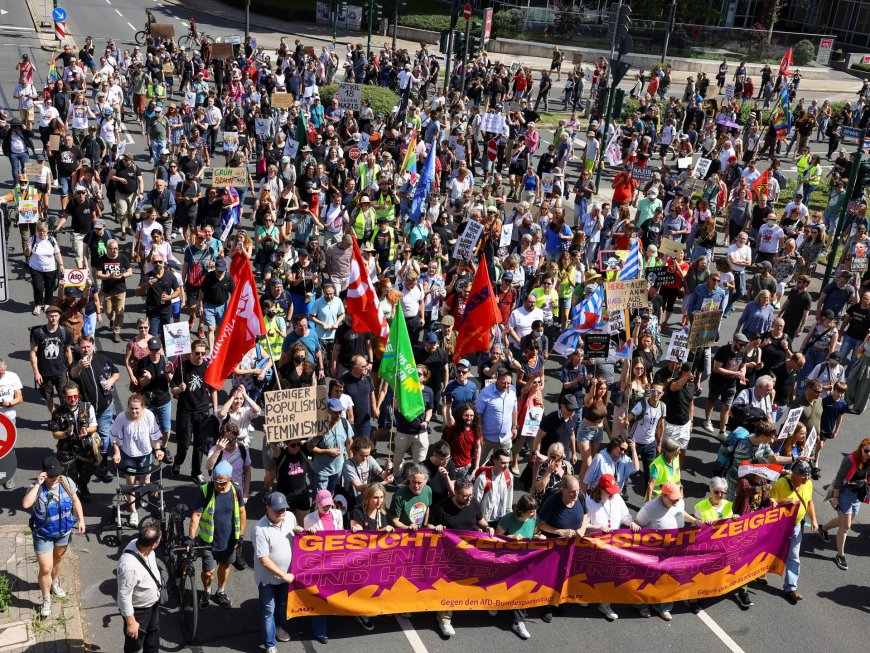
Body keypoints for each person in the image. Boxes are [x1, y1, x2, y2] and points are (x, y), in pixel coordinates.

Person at [22, 455, 86, 619]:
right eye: (51, 476)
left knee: (58, 559)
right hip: (43, 534)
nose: (55, 479)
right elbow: (26, 504)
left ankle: (55, 583)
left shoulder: (66, 482)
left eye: (57, 475)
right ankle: (46, 599)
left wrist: (81, 520)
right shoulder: (37, 487)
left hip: (63, 532)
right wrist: (38, 484)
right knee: (45, 568)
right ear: (43, 474)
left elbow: (76, 501)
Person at [428, 477, 492, 637]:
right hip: (448, 555)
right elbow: (428, 525)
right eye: (465, 496)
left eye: (471, 495)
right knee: (448, 586)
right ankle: (444, 619)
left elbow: (480, 520)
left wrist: (488, 527)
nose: (469, 498)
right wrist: (436, 527)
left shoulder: (474, 503)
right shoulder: (442, 507)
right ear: (455, 493)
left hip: (469, 553)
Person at [634, 482, 703, 619]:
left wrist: (693, 520)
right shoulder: (650, 508)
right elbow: (638, 523)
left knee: (669, 578)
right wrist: (634, 525)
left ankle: (664, 607)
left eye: (678, 498)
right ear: (664, 496)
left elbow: (680, 512)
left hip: (674, 549)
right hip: (654, 551)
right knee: (648, 579)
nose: (677, 501)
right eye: (673, 499)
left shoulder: (678, 502)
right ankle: (643, 605)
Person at [188, 460, 247, 610]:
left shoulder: (236, 491)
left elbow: (241, 512)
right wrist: (190, 537)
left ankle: (221, 591)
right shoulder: (206, 490)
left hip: (228, 541)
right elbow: (196, 515)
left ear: (229, 479)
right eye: (216, 481)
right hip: (208, 541)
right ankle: (207, 591)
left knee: (225, 566)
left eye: (222, 483)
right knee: (208, 572)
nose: (218, 485)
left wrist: (240, 535)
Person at [585, 474, 641, 621]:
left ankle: (605, 603)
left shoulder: (616, 498)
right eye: (609, 491)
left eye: (613, 491)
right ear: (600, 489)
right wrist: (598, 527)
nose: (612, 494)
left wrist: (631, 523)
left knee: (609, 575)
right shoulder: (589, 501)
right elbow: (583, 525)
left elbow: (625, 516)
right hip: (594, 544)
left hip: (612, 544)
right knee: (590, 573)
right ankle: (585, 595)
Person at [254, 492, 302, 653]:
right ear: (268, 508)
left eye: (283, 509)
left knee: (281, 605)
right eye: (277, 510)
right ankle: (270, 644)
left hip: (287, 576)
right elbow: (264, 560)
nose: (281, 512)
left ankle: (279, 627)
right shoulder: (259, 529)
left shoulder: (289, 517)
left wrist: (300, 531)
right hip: (268, 579)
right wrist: (284, 575)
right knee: (268, 610)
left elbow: (295, 535)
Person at [110, 394, 166, 526]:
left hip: (145, 453)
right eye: (131, 408)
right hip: (128, 454)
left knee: (145, 480)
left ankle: (143, 495)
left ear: (143, 407)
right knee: (130, 483)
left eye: (137, 409)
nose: (134, 411)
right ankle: (133, 511)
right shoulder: (121, 417)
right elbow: (114, 438)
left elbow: (155, 435)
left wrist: (158, 449)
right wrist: (117, 452)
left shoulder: (148, 416)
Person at [537, 474, 587, 622]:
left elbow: (585, 514)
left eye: (577, 490)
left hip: (572, 545)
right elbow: (540, 524)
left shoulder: (581, 497)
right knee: (552, 576)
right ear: (563, 490)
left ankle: (560, 601)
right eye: (572, 491)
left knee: (567, 575)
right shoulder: (553, 501)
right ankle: (547, 605)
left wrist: (583, 529)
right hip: (554, 547)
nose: (576, 494)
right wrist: (559, 532)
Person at [495, 493, 545, 639]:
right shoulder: (508, 519)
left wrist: (538, 537)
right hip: (508, 559)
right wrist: (510, 538)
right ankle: (496, 603)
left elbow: (534, 534)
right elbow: (496, 539)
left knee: (521, 589)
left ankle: (518, 621)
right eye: (531, 511)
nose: (534, 514)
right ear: (522, 511)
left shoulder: (534, 519)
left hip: (525, 560)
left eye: (535, 511)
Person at [817, 438, 870, 571]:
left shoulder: (869, 462)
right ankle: (840, 555)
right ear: (861, 448)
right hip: (844, 493)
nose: (869, 453)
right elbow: (839, 478)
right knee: (846, 526)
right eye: (866, 450)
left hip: (857, 494)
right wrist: (835, 497)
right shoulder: (850, 460)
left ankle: (822, 529)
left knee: (844, 521)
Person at [770, 459, 818, 604]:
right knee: (768, 552)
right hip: (778, 527)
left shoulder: (808, 484)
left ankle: (790, 587)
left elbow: (809, 502)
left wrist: (814, 520)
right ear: (795, 474)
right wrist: (784, 501)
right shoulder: (780, 485)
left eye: (808, 475)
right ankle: (759, 575)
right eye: (804, 475)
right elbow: (769, 505)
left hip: (796, 526)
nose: (807, 478)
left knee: (794, 556)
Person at [171, 339, 218, 484]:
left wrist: (215, 410)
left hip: (202, 410)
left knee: (200, 444)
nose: (200, 356)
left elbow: (213, 389)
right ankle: (178, 461)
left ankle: (196, 473)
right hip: (185, 411)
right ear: (191, 353)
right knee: (184, 443)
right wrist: (180, 389)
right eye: (197, 353)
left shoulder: (207, 367)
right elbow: (172, 388)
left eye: (203, 353)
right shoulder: (182, 367)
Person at [303, 490, 346, 643]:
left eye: (329, 505)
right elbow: (306, 545)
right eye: (324, 506)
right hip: (319, 564)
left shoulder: (338, 515)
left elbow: (341, 535)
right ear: (317, 504)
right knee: (320, 596)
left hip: (335, 561)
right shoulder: (309, 519)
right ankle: (319, 631)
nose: (327, 508)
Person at [116, 520, 163, 653]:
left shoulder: (141, 544)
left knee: (153, 641)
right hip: (139, 612)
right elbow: (123, 596)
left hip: (152, 605)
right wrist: (131, 622)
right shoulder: (129, 567)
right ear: (154, 545)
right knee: (134, 646)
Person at [49, 382, 98, 502]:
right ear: (64, 397)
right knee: (68, 477)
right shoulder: (58, 412)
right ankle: (71, 497)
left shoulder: (87, 407)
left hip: (85, 448)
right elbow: (55, 434)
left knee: (87, 472)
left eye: (75, 396)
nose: (73, 399)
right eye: (70, 397)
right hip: (66, 450)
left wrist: (86, 430)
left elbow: (94, 427)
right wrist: (66, 433)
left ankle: (83, 486)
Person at [30, 304, 73, 414]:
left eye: (55, 316)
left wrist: (70, 369)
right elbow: (33, 352)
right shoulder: (38, 332)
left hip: (61, 371)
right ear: (47, 316)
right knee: (47, 397)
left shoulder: (65, 332)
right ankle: (54, 415)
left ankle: (64, 416)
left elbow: (68, 351)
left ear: (59, 316)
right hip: (44, 373)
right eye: (51, 316)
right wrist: (36, 372)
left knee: (64, 396)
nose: (53, 318)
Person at [308, 397, 354, 492]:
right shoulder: (318, 425)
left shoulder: (344, 423)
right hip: (322, 471)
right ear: (328, 411)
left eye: (340, 412)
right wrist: (327, 451)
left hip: (338, 469)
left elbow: (350, 443)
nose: (338, 415)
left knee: (332, 496)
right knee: (321, 501)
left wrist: (351, 462)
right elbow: (310, 448)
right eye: (335, 412)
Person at [473, 448, 514, 527]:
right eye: (503, 463)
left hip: (502, 519)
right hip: (485, 521)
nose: (506, 466)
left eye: (508, 463)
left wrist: (509, 515)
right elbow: (475, 502)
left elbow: (510, 496)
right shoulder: (482, 479)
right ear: (495, 461)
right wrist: (479, 519)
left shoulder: (509, 477)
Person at [389, 464, 432, 530]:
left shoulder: (428, 490)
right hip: (405, 534)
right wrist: (408, 527)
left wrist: (425, 525)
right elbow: (394, 520)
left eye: (419, 483)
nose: (416, 486)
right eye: (413, 482)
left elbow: (427, 508)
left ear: (426, 481)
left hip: (420, 532)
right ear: (409, 479)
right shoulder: (399, 496)